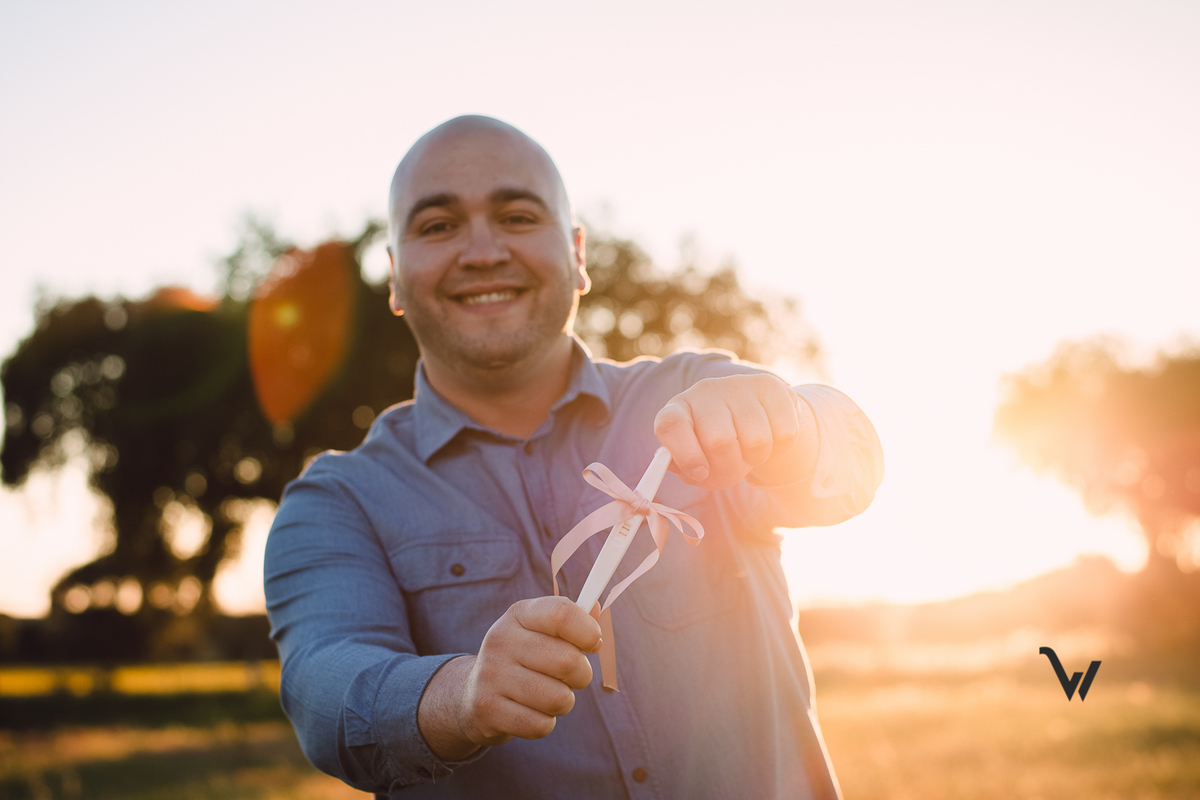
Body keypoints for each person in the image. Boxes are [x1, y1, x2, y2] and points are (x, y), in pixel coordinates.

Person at [264, 115, 884, 799]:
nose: (482, 251)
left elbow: (849, 471)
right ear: (394, 276)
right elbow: (326, 688)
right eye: (438, 226)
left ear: (579, 253)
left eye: (518, 215)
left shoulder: (689, 391)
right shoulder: (339, 501)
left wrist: (792, 425)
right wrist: (461, 695)